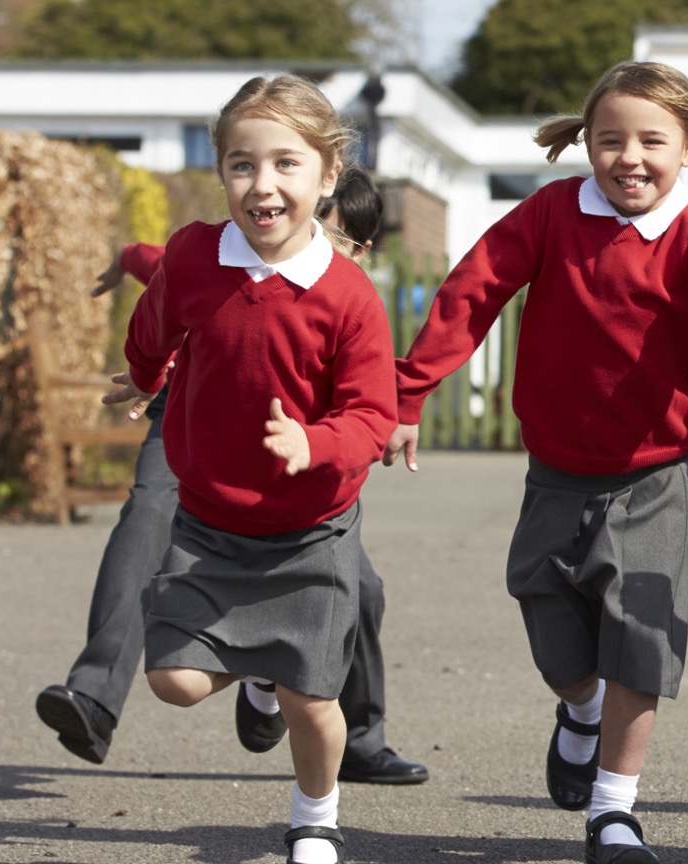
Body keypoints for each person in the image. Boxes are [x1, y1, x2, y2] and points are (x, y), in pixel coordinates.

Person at [380, 61, 688, 864]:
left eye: (652, 142)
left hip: (655, 474)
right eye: (610, 141)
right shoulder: (554, 213)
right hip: (558, 472)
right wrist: (408, 394)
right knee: (555, 634)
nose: (629, 158)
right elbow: (470, 293)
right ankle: (580, 709)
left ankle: (615, 812)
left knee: (640, 638)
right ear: (587, 144)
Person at [37, 168, 428, 788]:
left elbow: (368, 401)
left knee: (363, 590)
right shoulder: (219, 254)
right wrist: (125, 265)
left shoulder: (343, 298)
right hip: (197, 421)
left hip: (293, 449)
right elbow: (160, 266)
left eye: (335, 238)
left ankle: (349, 734)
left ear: (360, 249)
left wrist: (364, 427)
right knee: (147, 520)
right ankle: (94, 693)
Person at [102, 74, 397, 864]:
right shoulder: (196, 254)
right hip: (209, 520)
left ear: (328, 175)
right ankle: (257, 674)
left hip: (311, 529)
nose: (262, 185)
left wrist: (316, 444)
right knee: (175, 681)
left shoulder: (349, 297)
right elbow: (156, 321)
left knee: (311, 698)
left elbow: (371, 415)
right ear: (221, 169)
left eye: (285, 165)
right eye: (241, 165)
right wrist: (141, 374)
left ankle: (315, 817)